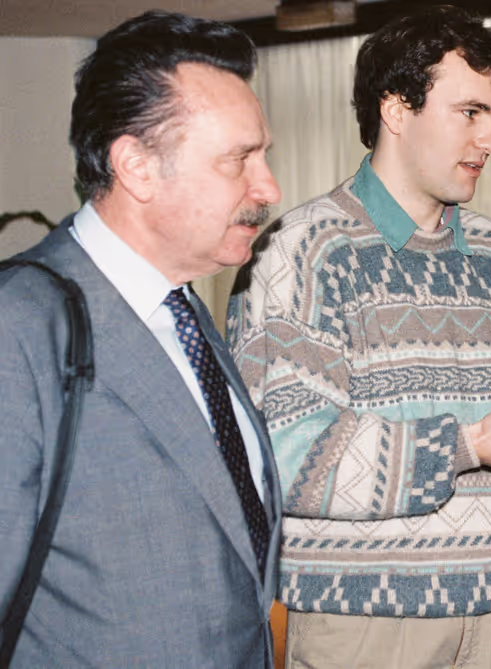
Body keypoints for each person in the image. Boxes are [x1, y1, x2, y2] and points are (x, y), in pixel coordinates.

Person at [226, 7, 491, 668]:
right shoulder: (301, 252)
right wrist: (468, 443)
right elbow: (287, 456)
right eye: (471, 112)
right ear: (397, 108)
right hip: (364, 623)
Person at [0, 11, 284, 667]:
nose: (268, 187)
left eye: (263, 155)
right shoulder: (20, 325)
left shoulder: (185, 309)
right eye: (239, 159)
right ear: (137, 167)